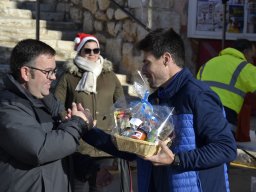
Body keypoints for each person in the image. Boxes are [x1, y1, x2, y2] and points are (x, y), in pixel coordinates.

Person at [133, 28, 237, 192]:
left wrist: (176, 160)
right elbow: (136, 148)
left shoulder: (197, 95)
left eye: (147, 62)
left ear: (166, 59)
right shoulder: (155, 100)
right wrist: (84, 127)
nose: (143, 69)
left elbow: (226, 148)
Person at [0, 39, 98, 192]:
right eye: (47, 72)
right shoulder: (8, 107)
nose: (53, 77)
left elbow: (57, 152)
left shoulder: (46, 100)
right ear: (26, 73)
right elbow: (39, 150)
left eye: (54, 71)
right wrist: (77, 123)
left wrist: (90, 168)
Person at [54, 33, 131, 192]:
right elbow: (57, 104)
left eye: (96, 50)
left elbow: (121, 106)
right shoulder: (69, 76)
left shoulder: (110, 76)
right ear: (79, 51)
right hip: (79, 145)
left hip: (105, 144)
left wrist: (125, 133)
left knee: (100, 188)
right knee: (79, 187)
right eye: (87, 50)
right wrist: (68, 121)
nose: (92, 54)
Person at [197, 39, 256, 136]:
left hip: (199, 113)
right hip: (224, 117)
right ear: (245, 52)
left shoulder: (208, 63)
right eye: (252, 56)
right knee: (222, 150)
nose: (252, 60)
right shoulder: (245, 67)